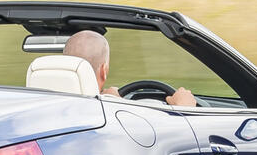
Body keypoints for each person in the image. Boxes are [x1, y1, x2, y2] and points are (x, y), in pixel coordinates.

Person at [62, 30, 196, 107]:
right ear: (104, 71)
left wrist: (111, 99)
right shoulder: (108, 115)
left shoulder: (45, 101)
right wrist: (185, 107)